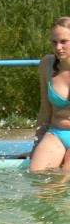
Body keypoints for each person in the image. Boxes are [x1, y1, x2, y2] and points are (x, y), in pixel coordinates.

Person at [29, 16, 70, 173]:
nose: (58, 47)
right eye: (54, 42)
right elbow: (45, 109)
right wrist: (36, 146)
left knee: (66, 175)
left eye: (64, 41)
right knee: (37, 173)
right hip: (56, 133)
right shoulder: (47, 64)